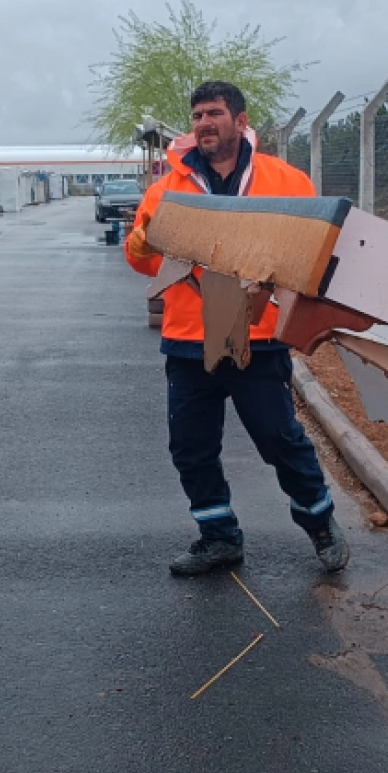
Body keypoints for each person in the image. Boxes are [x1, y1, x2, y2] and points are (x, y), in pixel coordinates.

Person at [125, 81, 349, 577]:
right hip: (189, 340)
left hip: (258, 336)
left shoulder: (286, 182)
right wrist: (141, 245)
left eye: (214, 114)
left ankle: (321, 525)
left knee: (280, 439)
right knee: (191, 446)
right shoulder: (169, 190)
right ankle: (218, 536)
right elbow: (144, 264)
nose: (203, 123)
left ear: (241, 122)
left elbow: (312, 255)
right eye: (198, 115)